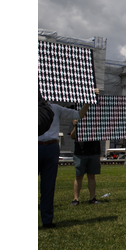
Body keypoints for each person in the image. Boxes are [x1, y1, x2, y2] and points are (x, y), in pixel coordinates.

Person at [38, 89, 97, 228]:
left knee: (48, 186)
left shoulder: (55, 108)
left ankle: (47, 220)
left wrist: (89, 100)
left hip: (52, 146)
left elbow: (79, 115)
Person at [69, 120, 102, 206]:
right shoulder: (76, 120)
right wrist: (75, 126)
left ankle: (92, 198)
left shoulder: (96, 120)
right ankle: (75, 199)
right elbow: (72, 136)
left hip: (94, 151)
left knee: (92, 176)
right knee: (79, 175)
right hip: (80, 152)